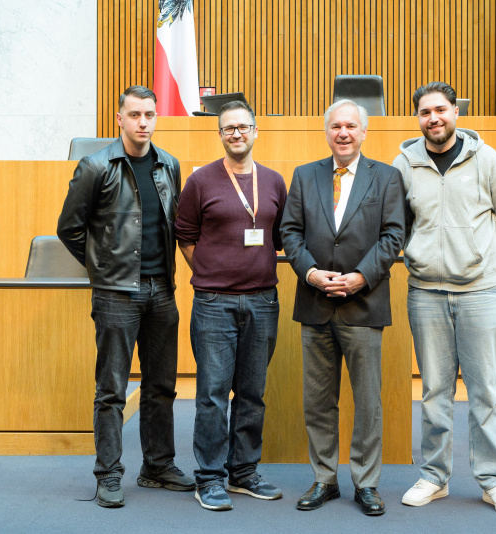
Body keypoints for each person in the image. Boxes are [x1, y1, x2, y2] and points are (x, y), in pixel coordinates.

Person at [57, 85, 193, 508]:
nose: (143, 122)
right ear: (119, 119)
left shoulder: (169, 165)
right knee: (112, 389)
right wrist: (104, 269)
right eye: (134, 115)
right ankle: (108, 474)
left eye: (149, 114)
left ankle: (156, 466)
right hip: (116, 294)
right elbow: (69, 228)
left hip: (162, 291)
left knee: (161, 385)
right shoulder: (96, 166)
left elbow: (175, 227)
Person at [392, 82, 496, 515]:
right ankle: (435, 476)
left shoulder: (485, 159)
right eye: (426, 112)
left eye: (441, 110)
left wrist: (481, 261)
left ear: (455, 112)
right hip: (426, 294)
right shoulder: (405, 164)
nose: (434, 118)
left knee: (486, 391)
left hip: (482, 294)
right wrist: (422, 256)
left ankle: (493, 481)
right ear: (418, 118)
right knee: (434, 392)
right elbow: (397, 225)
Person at [280, 99, 405, 516]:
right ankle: (324, 479)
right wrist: (312, 274)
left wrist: (360, 277)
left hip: (364, 303)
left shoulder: (386, 178)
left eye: (351, 125)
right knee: (318, 400)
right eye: (336, 126)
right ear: (327, 132)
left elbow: (392, 236)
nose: (344, 133)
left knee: (368, 401)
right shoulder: (304, 175)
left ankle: (366, 483)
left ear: (364, 132)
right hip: (315, 303)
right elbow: (290, 232)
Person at [175, 100, 287, 511]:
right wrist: (210, 270)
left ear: (256, 131)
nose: (237, 134)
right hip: (214, 303)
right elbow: (185, 233)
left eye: (243, 127)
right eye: (228, 129)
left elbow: (280, 237)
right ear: (220, 134)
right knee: (212, 394)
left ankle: (243, 472)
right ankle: (209, 478)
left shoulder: (274, 182)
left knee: (253, 393)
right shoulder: (201, 181)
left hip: (262, 301)